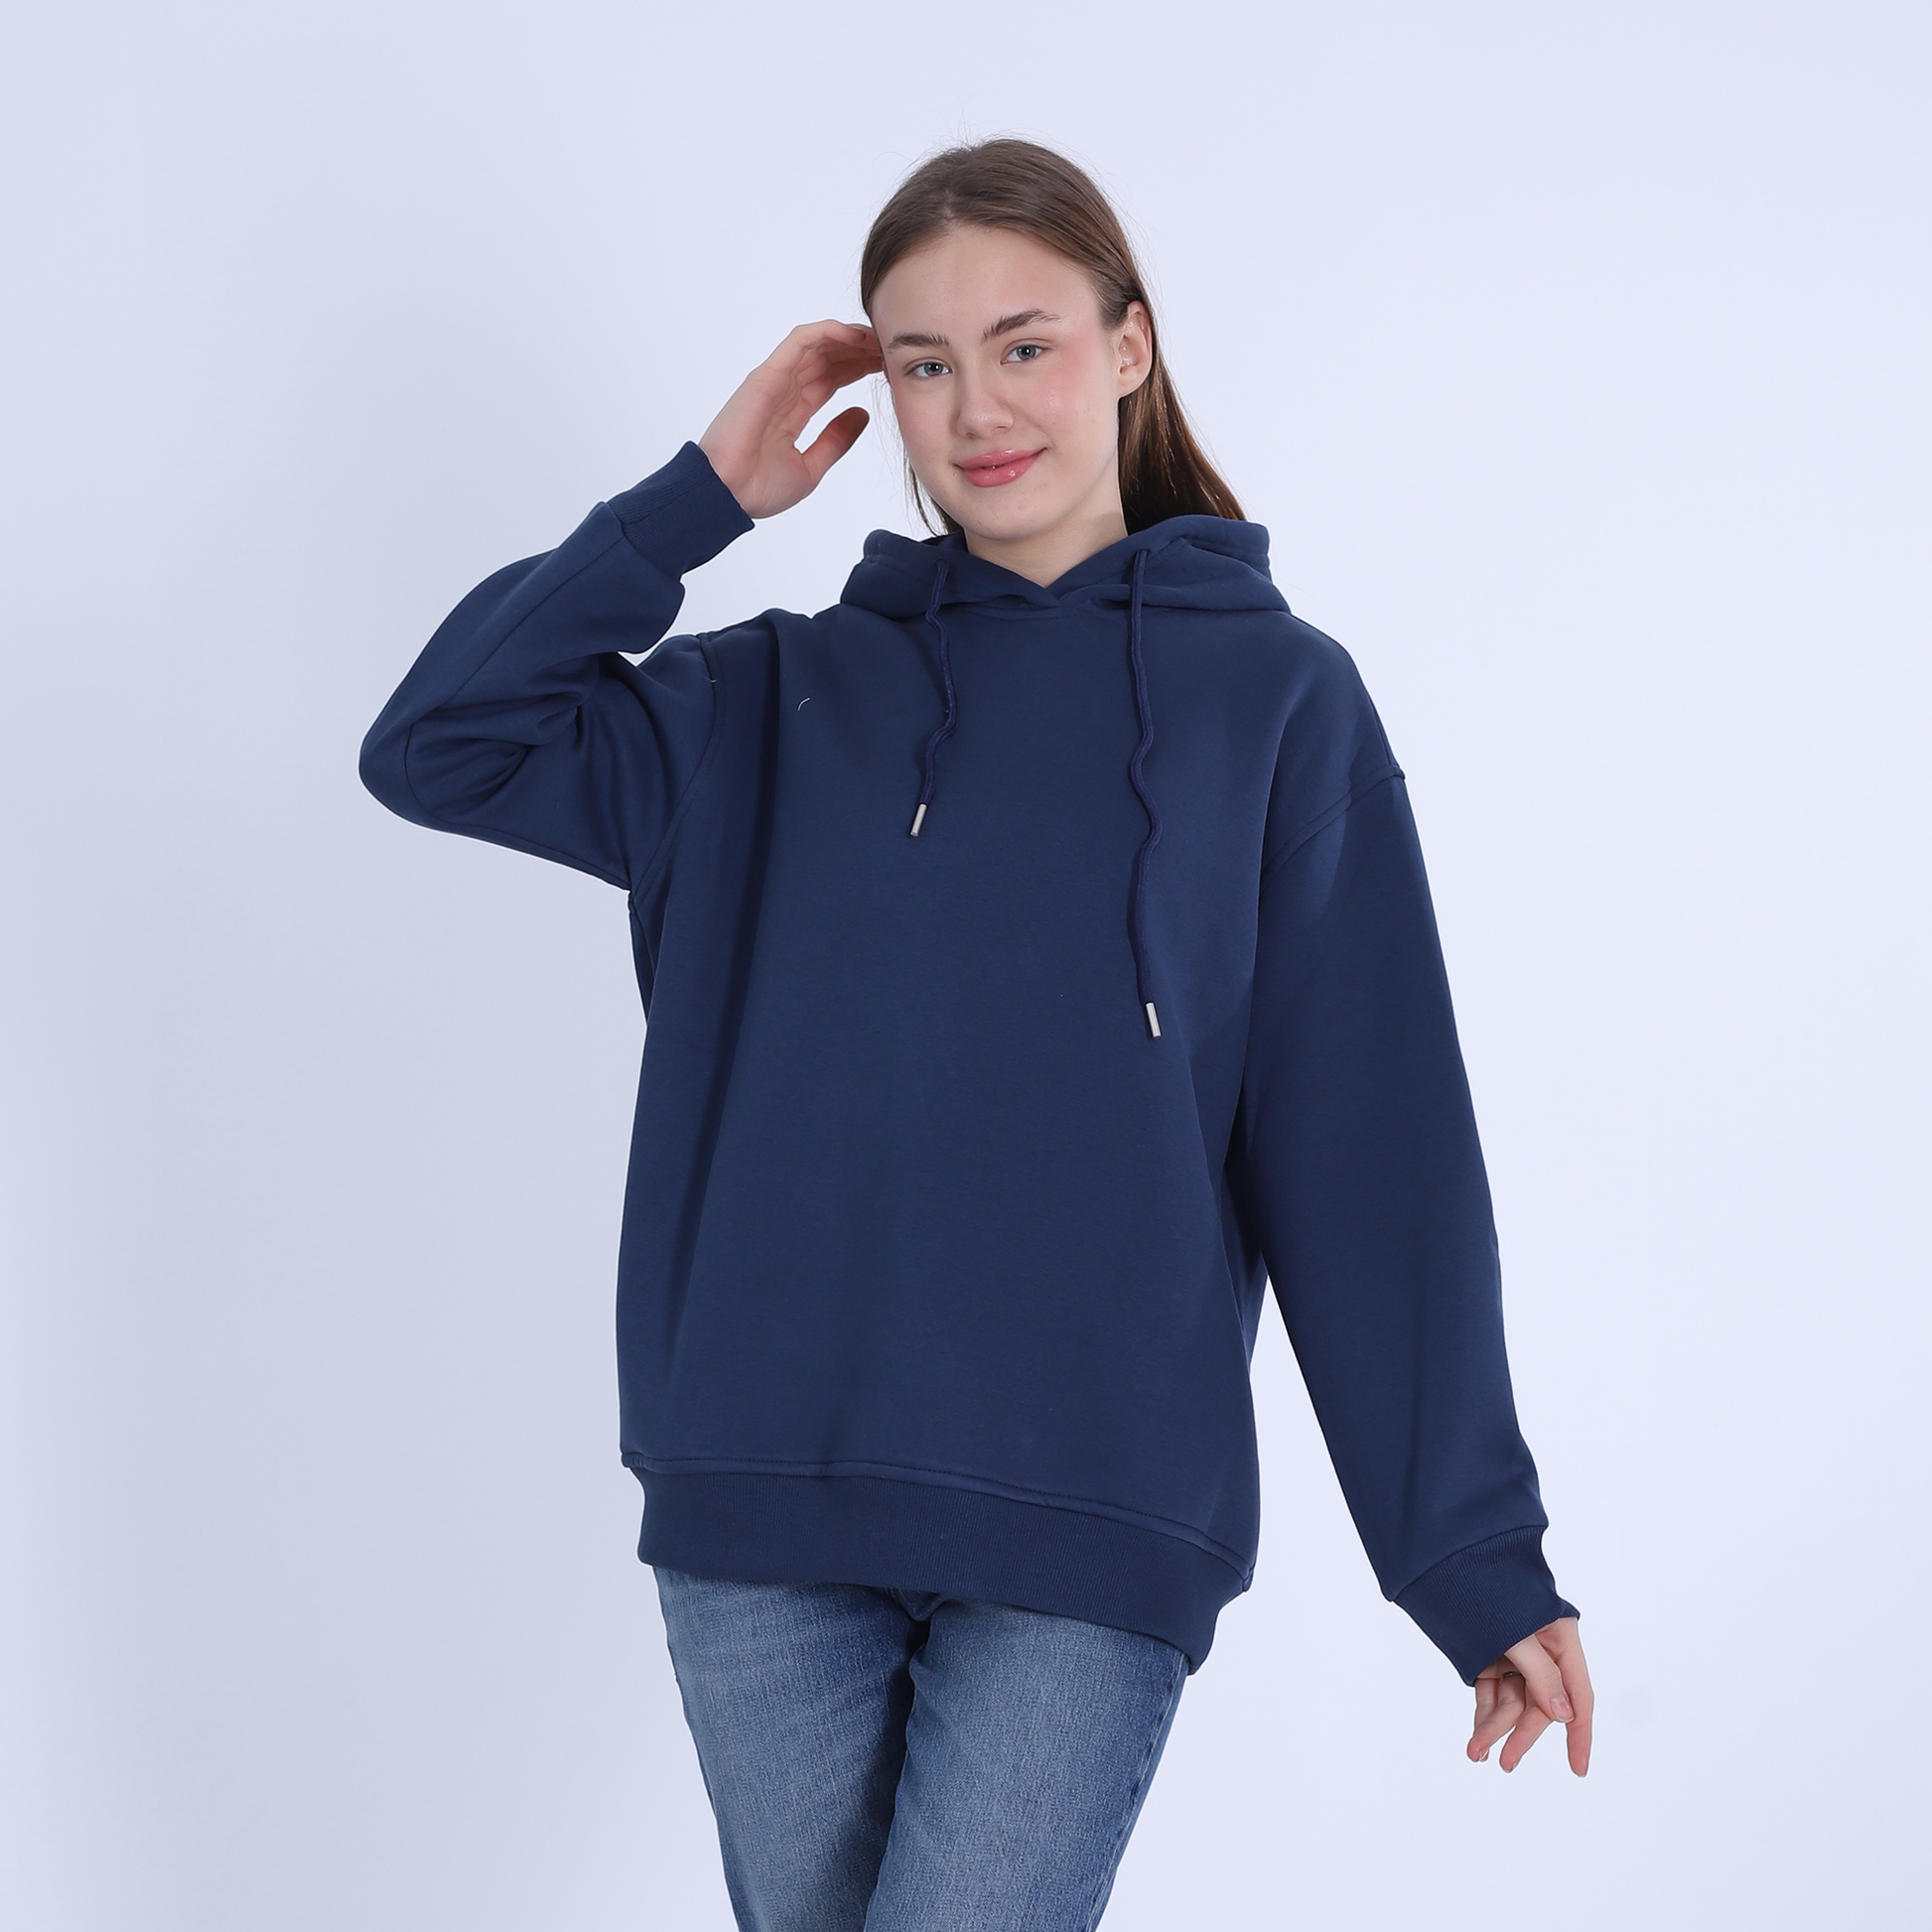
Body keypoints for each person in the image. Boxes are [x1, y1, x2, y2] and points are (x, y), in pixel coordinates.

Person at [359, 137, 1591, 1931]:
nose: (976, 408)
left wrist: (1471, 1558)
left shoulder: (1276, 705)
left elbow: (1370, 1156)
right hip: (765, 1505)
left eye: (1024, 345)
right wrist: (700, 498)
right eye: (922, 361)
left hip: (1091, 1517)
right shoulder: (765, 700)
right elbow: (439, 745)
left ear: (1128, 346)